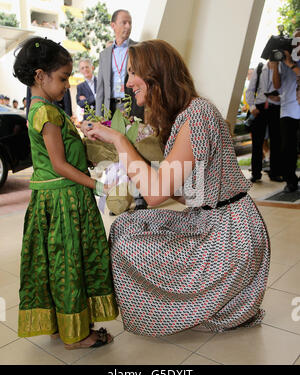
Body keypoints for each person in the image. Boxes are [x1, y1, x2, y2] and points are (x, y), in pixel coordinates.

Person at [82, 39, 270, 336]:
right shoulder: (187, 114)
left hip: (231, 235)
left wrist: (120, 142)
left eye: (133, 73)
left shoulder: (196, 116)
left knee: (130, 247)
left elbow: (156, 196)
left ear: (156, 75)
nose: (128, 82)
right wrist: (135, 169)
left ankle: (185, 309)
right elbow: (188, 193)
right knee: (126, 226)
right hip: (211, 219)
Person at [13, 36, 118, 349]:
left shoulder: (44, 108)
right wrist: (98, 186)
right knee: (69, 264)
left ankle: (63, 326)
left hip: (57, 199)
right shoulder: (46, 113)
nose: (67, 85)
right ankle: (78, 336)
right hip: (63, 201)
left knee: (58, 264)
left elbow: (62, 158)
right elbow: (59, 165)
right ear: (40, 76)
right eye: (62, 78)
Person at [96, 9, 147, 211]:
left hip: (132, 105)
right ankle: (117, 198)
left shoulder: (138, 49)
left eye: (130, 22)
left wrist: (139, 111)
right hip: (111, 107)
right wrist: (101, 116)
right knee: (114, 154)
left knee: (135, 149)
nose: (127, 26)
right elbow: (100, 87)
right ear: (113, 25)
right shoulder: (104, 54)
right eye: (124, 22)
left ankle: (140, 196)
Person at [272, 28, 300, 192]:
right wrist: (276, 66)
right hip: (288, 110)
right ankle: (290, 181)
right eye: (295, 40)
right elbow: (277, 85)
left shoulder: (290, 61)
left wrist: (291, 64)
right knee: (287, 148)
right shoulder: (284, 60)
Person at [246, 61, 283, 183]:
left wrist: (280, 98)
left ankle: (275, 172)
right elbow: (251, 89)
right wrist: (252, 107)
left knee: (276, 140)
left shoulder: (282, 68)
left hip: (276, 107)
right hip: (259, 108)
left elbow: (287, 87)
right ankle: (256, 174)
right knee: (257, 142)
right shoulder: (260, 68)